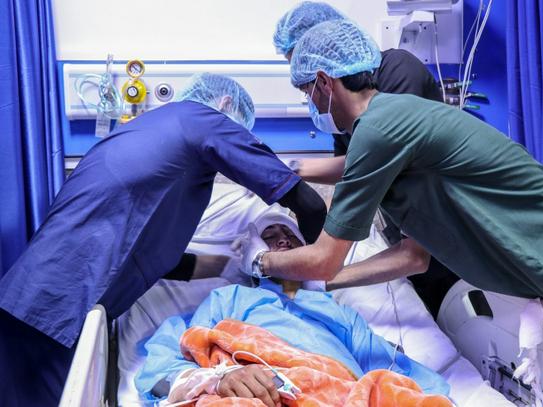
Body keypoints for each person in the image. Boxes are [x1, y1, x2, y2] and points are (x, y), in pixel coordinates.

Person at [240, 20, 543, 331]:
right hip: (533, 260)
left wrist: (259, 261)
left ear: (324, 83)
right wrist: (320, 284)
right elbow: (413, 256)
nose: (310, 104)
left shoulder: (378, 130)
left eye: (306, 91)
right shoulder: (389, 117)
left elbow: (324, 259)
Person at [0, 73, 326, 406]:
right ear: (225, 104)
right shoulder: (202, 121)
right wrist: (314, 269)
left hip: (41, 298)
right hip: (58, 306)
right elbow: (311, 205)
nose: (281, 242)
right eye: (271, 234)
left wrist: (224, 265)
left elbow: (149, 254)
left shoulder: (155, 136)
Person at [135, 212, 449, 406]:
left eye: (291, 237)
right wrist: (218, 379)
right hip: (255, 391)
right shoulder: (229, 298)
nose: (284, 241)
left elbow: (394, 372)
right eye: (270, 238)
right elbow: (170, 363)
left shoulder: (338, 313)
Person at [273, 1, 458, 316]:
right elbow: (349, 172)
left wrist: (313, 275)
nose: (310, 98)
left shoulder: (396, 75)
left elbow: (373, 161)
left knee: (452, 302)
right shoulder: (341, 109)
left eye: (308, 85)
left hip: (444, 234)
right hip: (409, 230)